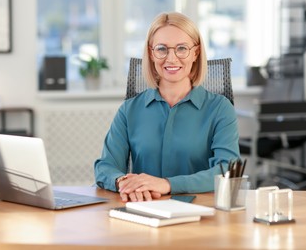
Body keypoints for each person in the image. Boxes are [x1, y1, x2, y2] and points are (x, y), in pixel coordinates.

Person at [94, 12, 240, 202]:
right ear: (151, 53)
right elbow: (105, 166)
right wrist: (123, 182)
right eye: (162, 49)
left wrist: (167, 184)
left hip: (200, 214)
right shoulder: (129, 110)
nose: (171, 59)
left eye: (182, 48)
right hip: (144, 211)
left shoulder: (220, 108)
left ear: (195, 53)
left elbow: (227, 170)